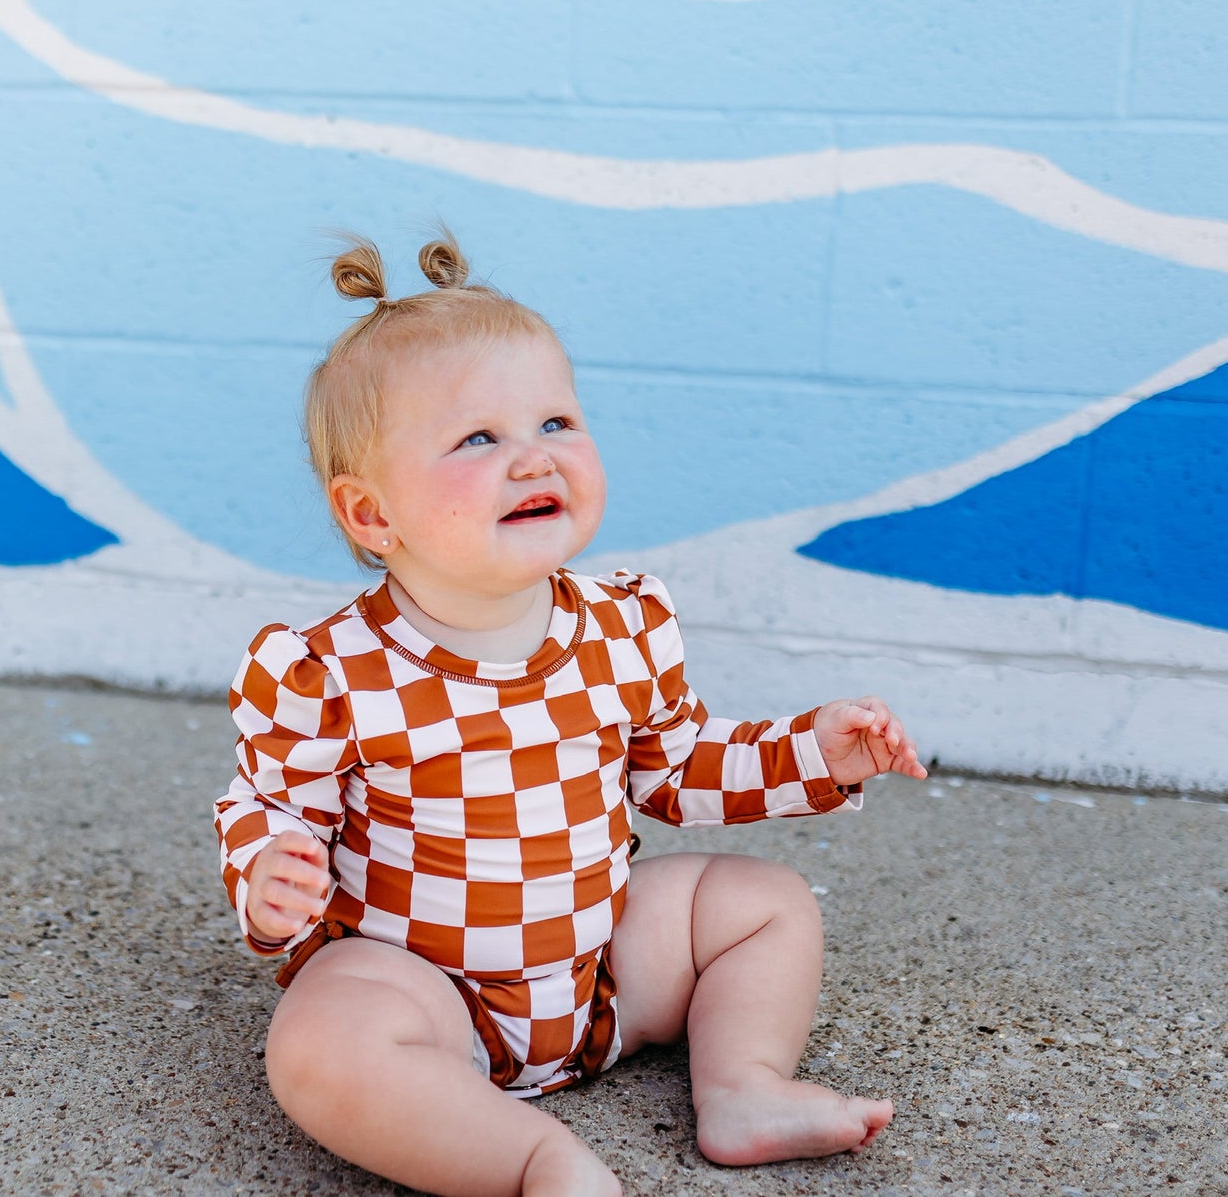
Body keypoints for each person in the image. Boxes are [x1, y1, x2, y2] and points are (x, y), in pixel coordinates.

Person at [214, 231, 928, 1197]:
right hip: (425, 989)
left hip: (602, 971)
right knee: (318, 1040)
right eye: (478, 438)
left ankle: (742, 1086)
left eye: (553, 420)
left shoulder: (623, 622)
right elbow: (269, 805)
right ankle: (532, 1161)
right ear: (373, 515)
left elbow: (675, 771)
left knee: (765, 904)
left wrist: (815, 749)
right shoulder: (328, 670)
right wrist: (268, 871)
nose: (532, 458)